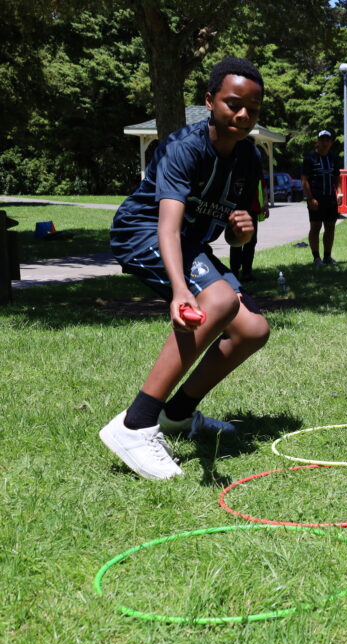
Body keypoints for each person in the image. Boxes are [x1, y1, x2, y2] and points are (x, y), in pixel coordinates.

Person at [101, 57, 271, 480]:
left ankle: (176, 415)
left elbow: (232, 232)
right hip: (143, 233)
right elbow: (168, 225)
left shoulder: (249, 158)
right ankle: (134, 425)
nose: (243, 114)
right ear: (210, 101)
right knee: (217, 301)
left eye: (252, 108)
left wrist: (240, 234)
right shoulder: (184, 147)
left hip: (189, 244)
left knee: (252, 330)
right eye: (233, 103)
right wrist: (180, 290)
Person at [301, 130, 342, 265]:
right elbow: (304, 180)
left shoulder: (333, 157)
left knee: (330, 227)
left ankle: (327, 257)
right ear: (317, 141)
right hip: (315, 198)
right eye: (322, 140)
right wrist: (310, 198)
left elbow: (337, 177)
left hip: (330, 198)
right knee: (316, 226)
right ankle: (316, 258)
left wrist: (339, 192)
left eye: (327, 140)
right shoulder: (310, 158)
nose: (325, 143)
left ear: (331, 143)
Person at [229, 175, 267, 281]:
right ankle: (235, 272)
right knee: (236, 241)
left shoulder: (255, 169)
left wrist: (265, 204)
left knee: (251, 241)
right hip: (237, 208)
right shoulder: (235, 169)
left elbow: (262, 186)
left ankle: (246, 272)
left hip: (252, 209)